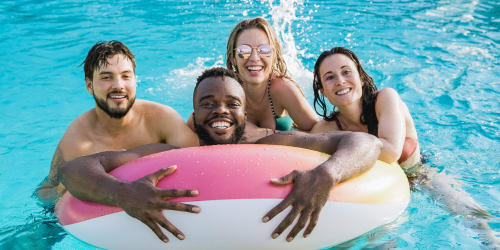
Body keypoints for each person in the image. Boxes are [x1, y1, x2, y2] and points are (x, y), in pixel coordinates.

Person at [59, 67, 383, 243]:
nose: (221, 110)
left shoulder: (274, 145)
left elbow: (365, 144)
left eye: (232, 103)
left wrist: (327, 175)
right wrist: (122, 192)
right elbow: (76, 168)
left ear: (245, 113)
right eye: (208, 103)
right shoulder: (169, 157)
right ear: (195, 114)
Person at [310, 47, 498, 246]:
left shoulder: (385, 99)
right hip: (377, 190)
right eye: (330, 77)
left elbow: (391, 152)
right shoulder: (325, 129)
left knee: (472, 216)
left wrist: (342, 142)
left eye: (346, 72)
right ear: (323, 91)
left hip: (420, 176)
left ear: (361, 77)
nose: (340, 80)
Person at [36, 41, 199, 203]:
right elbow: (46, 192)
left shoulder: (162, 119)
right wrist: (66, 193)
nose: (119, 86)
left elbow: (199, 159)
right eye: (106, 77)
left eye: (126, 76)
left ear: (135, 81)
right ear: (89, 85)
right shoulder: (78, 143)